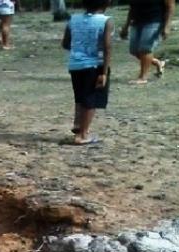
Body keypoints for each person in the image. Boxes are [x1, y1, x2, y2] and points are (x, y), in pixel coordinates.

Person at [62, 0, 113, 145]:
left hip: (75, 65)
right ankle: (83, 136)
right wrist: (104, 73)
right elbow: (107, 48)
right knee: (91, 100)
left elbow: (65, 43)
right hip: (94, 65)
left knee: (80, 97)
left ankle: (78, 126)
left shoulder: (73, 19)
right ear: (107, 3)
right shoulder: (106, 21)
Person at [120, 0, 174, 84]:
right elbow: (132, 8)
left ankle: (143, 77)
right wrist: (126, 26)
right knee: (134, 51)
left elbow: (170, 6)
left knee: (145, 49)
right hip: (137, 21)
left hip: (154, 21)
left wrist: (167, 26)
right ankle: (158, 62)